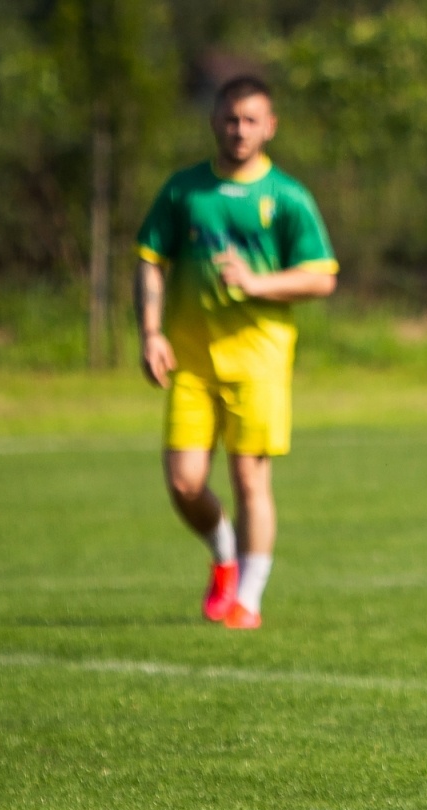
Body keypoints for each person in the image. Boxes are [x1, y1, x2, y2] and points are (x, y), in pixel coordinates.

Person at [134, 75, 337, 630]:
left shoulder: (288, 196)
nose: (239, 129)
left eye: (251, 120)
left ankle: (247, 599)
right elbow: (150, 258)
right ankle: (223, 552)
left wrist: (257, 283)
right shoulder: (183, 191)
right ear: (214, 122)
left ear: (270, 126)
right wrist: (151, 331)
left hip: (260, 360)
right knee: (184, 483)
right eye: (230, 118)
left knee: (251, 480)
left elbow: (321, 279)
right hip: (192, 361)